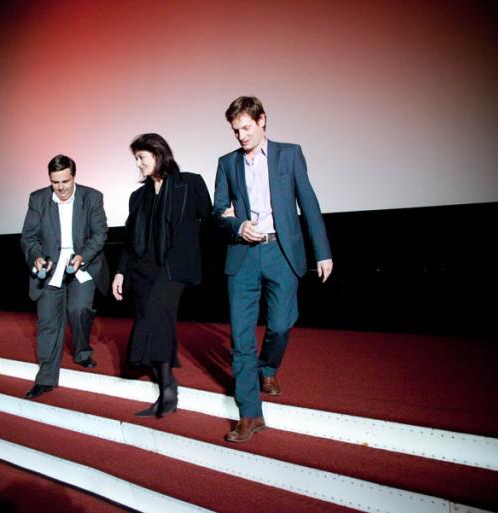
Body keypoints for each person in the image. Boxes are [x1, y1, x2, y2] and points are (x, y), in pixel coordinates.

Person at [213, 96, 333, 442]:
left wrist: (322, 253)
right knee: (241, 338)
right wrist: (237, 226)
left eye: (246, 128)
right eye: (236, 130)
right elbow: (219, 209)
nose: (241, 136)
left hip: (282, 251)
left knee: (280, 325)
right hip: (243, 256)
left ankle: (268, 368)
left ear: (262, 120)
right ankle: (250, 414)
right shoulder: (227, 163)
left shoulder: (289, 154)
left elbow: (308, 203)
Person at [112, 133, 212, 417]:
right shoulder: (138, 196)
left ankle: (168, 388)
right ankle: (167, 385)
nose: (138, 164)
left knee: (156, 315)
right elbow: (131, 240)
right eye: (136, 160)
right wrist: (120, 272)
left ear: (158, 154)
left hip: (174, 268)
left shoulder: (189, 183)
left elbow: (209, 218)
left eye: (141, 158)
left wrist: (231, 217)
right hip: (143, 269)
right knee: (152, 319)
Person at [21, 154, 109, 398]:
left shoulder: (92, 197)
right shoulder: (38, 199)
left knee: (78, 310)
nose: (60, 188)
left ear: (74, 177)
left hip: (82, 264)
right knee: (48, 322)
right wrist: (36, 257)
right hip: (51, 268)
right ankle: (46, 378)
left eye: (65, 182)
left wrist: (83, 256)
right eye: (55, 182)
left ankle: (81, 350)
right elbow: (29, 237)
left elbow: (100, 234)